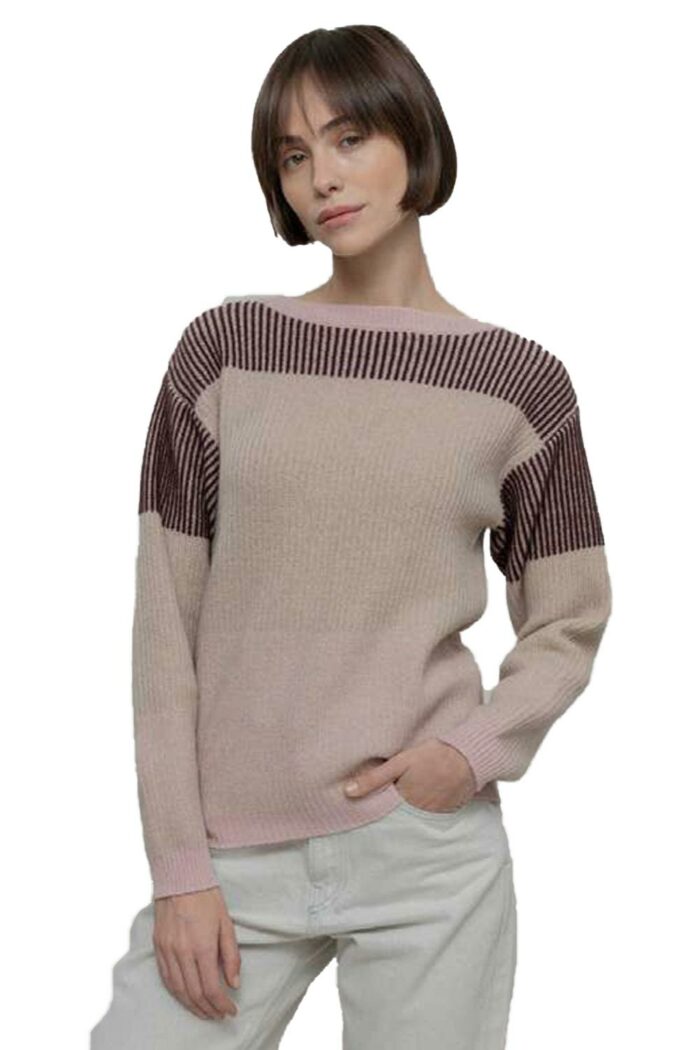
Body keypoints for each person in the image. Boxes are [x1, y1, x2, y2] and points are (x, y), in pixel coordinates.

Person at [90, 24, 612, 1050]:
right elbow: (163, 629)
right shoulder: (224, 355)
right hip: (230, 858)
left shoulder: (520, 385)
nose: (320, 178)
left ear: (414, 140)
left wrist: (467, 755)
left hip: (424, 854)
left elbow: (571, 616)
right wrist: (180, 870)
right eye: (292, 156)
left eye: (349, 137)